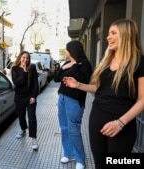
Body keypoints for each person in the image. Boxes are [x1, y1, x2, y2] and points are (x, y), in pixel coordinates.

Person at [63, 18, 144, 169]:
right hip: (96, 120)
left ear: (126, 35)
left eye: (113, 33)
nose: (108, 37)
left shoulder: (138, 62)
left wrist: (120, 123)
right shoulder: (107, 61)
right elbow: (98, 89)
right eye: (108, 33)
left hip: (121, 126)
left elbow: (143, 100)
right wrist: (78, 85)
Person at [54, 40, 92, 169]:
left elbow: (82, 81)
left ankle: (80, 159)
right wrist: (63, 67)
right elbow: (56, 78)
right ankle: (68, 153)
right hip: (62, 98)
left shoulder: (85, 64)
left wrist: (75, 65)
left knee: (74, 129)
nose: (65, 51)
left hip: (75, 100)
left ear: (73, 50)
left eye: (67, 49)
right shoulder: (66, 63)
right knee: (64, 127)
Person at [11, 51, 39, 150]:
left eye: (27, 58)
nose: (25, 60)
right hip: (19, 97)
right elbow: (17, 82)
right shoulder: (14, 69)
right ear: (20, 58)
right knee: (21, 116)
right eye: (23, 57)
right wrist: (24, 71)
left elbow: (35, 84)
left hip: (30, 97)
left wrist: (34, 96)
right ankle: (23, 130)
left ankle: (33, 138)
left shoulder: (32, 68)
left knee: (32, 117)